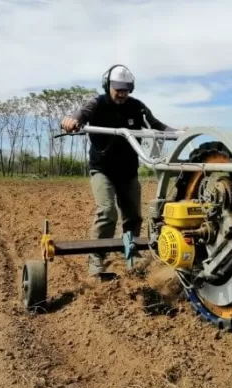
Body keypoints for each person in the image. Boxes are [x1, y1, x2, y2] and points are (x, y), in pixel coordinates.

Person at [61, 64, 179, 280]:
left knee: (133, 215)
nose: (121, 93)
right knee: (107, 212)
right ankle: (96, 259)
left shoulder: (137, 107)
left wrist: (178, 133)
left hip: (128, 172)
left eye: (125, 89)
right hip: (102, 170)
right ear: (108, 86)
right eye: (117, 88)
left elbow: (157, 125)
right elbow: (79, 115)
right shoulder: (96, 104)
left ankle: (130, 251)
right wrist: (72, 121)